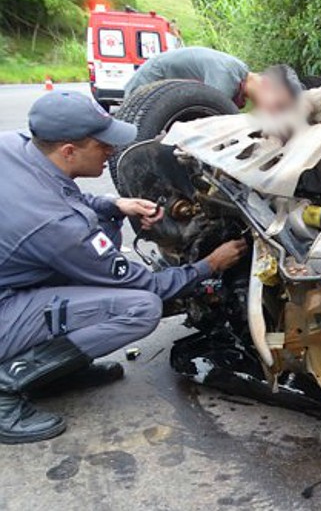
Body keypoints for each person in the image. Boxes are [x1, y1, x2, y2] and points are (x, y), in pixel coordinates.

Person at [0, 91, 248, 444]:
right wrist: (209, 265)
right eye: (103, 146)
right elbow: (146, 285)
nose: (112, 152)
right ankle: (7, 385)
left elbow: (59, 195)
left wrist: (114, 204)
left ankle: (55, 370)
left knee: (101, 229)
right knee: (140, 308)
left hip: (13, 276)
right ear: (68, 150)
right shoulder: (57, 226)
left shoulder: (15, 146)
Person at [123, 46, 303, 113]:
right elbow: (213, 117)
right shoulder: (227, 75)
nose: (270, 109)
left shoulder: (237, 72)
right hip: (149, 83)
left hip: (156, 81)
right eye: (276, 103)